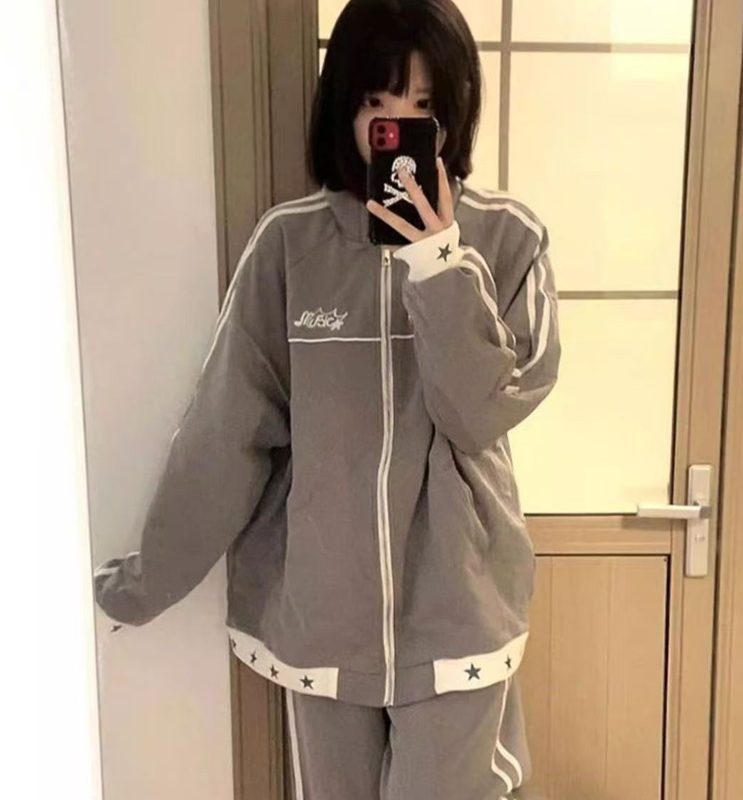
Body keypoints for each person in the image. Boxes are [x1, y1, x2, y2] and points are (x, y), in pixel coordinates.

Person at [93, 0, 561, 797]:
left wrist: (438, 261)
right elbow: (224, 433)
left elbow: (479, 413)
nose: (396, 125)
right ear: (344, 105)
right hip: (322, 619)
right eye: (377, 101)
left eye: (423, 104)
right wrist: (146, 583)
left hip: (459, 611)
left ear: (454, 111)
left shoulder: (509, 240)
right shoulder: (290, 245)